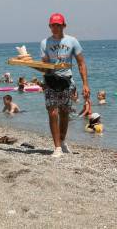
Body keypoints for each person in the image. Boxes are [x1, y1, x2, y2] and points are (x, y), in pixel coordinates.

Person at [40, 13, 90, 158]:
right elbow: (44, 64)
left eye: (58, 25)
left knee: (64, 113)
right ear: (49, 26)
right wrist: (43, 69)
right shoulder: (45, 43)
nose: (55, 27)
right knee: (52, 112)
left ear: (64, 26)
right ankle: (56, 148)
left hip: (67, 80)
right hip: (50, 80)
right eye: (52, 25)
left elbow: (81, 63)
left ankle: (62, 141)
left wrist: (85, 84)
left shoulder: (72, 41)